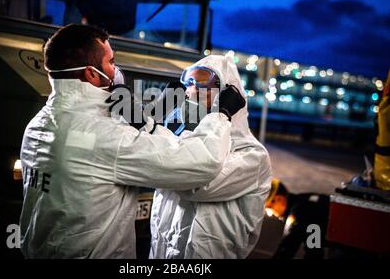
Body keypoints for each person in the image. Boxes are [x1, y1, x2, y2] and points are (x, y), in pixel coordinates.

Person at [19, 24, 246, 258]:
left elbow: (118, 146)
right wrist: (221, 115)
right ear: (91, 73)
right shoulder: (104, 134)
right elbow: (202, 161)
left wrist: (145, 121)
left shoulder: (39, 123)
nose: (116, 69)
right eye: (111, 62)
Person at [149, 55, 272, 259]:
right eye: (189, 84)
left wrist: (220, 116)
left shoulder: (252, 156)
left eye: (203, 87)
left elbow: (192, 182)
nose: (192, 93)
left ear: (226, 97)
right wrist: (156, 119)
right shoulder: (178, 140)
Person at [265, 179, 330, 259]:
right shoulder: (303, 200)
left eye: (269, 208)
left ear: (279, 199)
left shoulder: (298, 214)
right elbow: (315, 247)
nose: (269, 214)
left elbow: (286, 249)